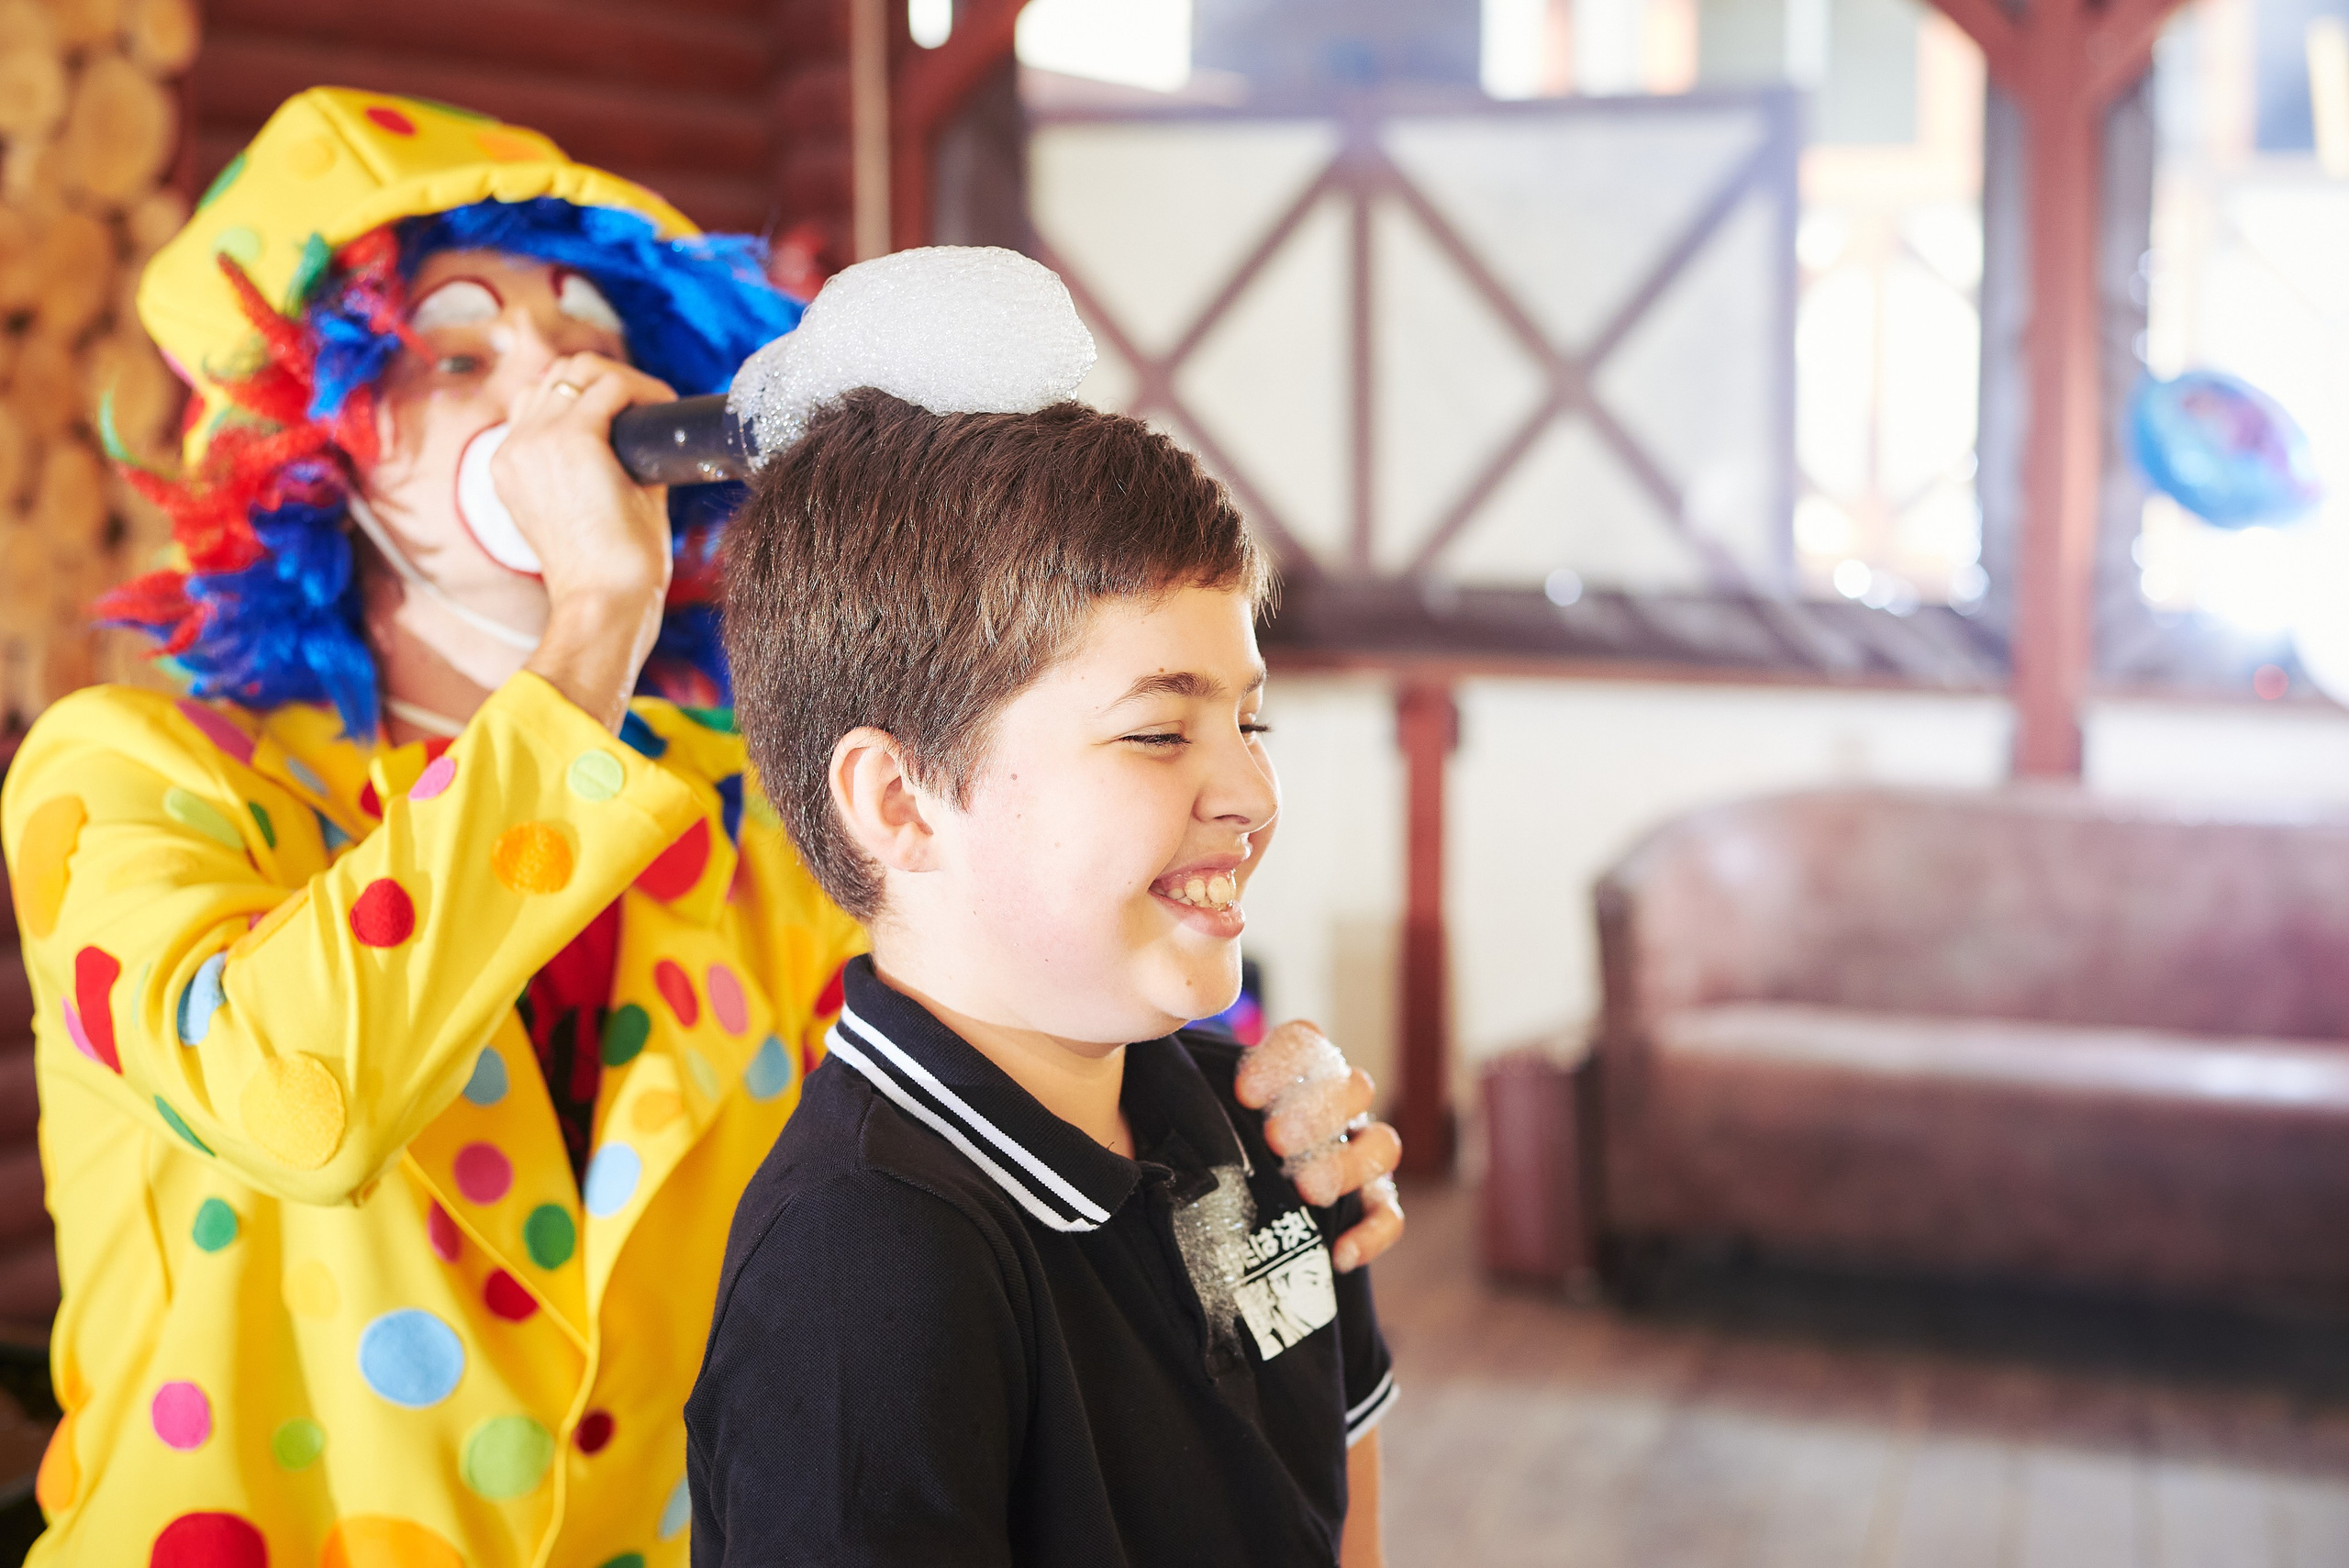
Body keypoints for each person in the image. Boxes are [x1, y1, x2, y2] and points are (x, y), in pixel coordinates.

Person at [0, 91, 1402, 1566]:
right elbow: (297, 1099)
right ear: (305, 450)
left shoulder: (726, 797)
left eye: (598, 343)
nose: (560, 387)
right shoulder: (133, 772)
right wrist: (595, 614)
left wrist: (1250, 1100)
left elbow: (1022, 953)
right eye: (460, 351)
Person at [690, 252, 1396, 1567]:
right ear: (898, 804)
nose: (1250, 788)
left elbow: (1329, 1507)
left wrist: (1328, 1234)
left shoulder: (1250, 1128)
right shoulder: (866, 1271)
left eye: (1251, 719)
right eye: (1155, 732)